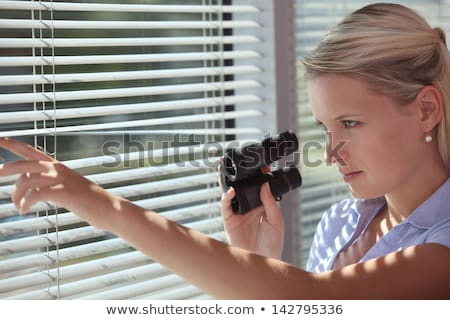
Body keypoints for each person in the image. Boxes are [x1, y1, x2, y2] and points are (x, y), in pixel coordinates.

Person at [0, 3, 449, 299]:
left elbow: (317, 300)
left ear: (426, 109)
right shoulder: (339, 225)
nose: (331, 153)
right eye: (324, 127)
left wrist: (97, 203)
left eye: (350, 123)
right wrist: (260, 263)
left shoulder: (441, 250)